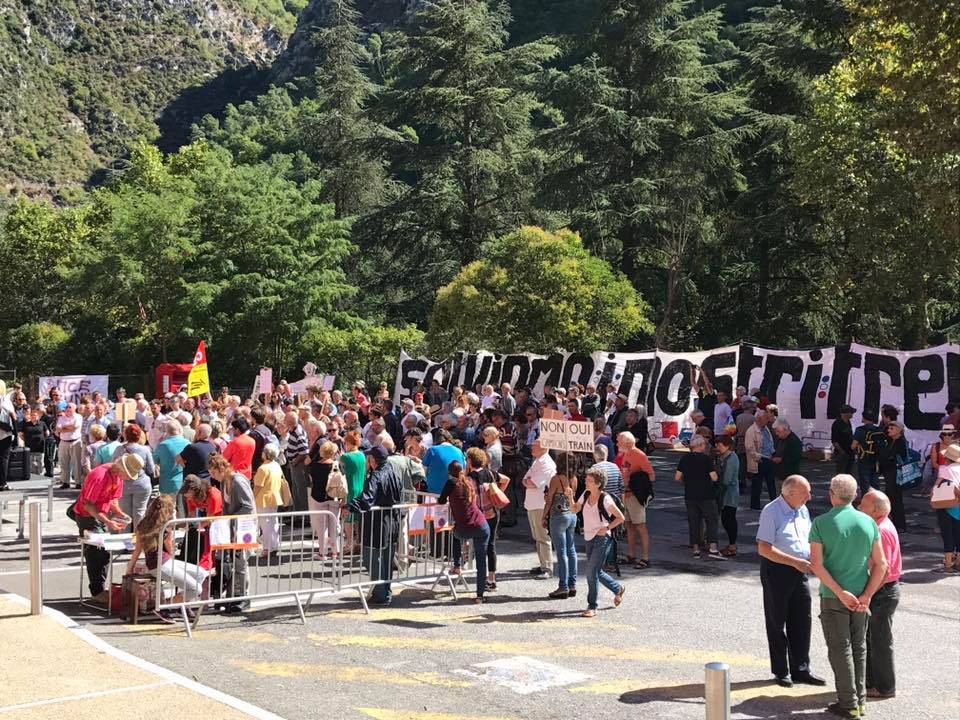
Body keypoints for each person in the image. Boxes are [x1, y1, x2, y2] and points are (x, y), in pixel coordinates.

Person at [810, 474, 888, 719]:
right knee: (859, 648)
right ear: (855, 495)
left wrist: (839, 592)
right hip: (860, 596)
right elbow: (881, 564)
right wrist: (866, 595)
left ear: (831, 494)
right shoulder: (868, 522)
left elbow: (817, 565)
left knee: (840, 649)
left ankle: (848, 703)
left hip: (834, 597)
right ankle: (860, 701)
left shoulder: (821, 523)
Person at [755, 475, 825, 687]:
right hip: (777, 569)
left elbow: (809, 539)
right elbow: (764, 548)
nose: (809, 497)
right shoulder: (771, 511)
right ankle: (781, 670)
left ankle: (801, 669)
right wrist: (794, 562)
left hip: (800, 569)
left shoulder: (802, 509)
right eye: (806, 492)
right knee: (777, 622)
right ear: (790, 493)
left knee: (802, 620)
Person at [72, 455, 141, 604]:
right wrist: (109, 521)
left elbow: (112, 499)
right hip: (87, 516)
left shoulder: (117, 476)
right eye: (127, 474)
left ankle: (100, 589)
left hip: (99, 515)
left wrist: (119, 513)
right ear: (121, 467)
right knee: (95, 554)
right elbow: (88, 505)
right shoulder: (99, 475)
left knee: (103, 553)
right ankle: (97, 591)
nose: (127, 478)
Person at [125, 495, 208, 619]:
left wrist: (129, 568)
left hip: (155, 563)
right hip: (163, 563)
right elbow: (170, 548)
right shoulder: (167, 526)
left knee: (200, 573)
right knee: (196, 588)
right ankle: (166, 606)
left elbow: (137, 549)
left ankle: (181, 604)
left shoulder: (143, 524)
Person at [345, 445, 403, 605]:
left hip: (377, 523)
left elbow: (367, 498)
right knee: (386, 559)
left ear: (372, 460)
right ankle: (385, 592)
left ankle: (381, 594)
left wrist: (350, 506)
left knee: (372, 557)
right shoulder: (393, 471)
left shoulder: (377, 476)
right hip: (392, 521)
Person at [858, 490, 901, 700]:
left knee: (880, 640)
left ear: (875, 510)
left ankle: (885, 687)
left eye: (863, 506)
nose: (858, 508)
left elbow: (881, 570)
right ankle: (873, 682)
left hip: (882, 591)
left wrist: (867, 594)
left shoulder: (880, 529)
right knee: (874, 637)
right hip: (883, 589)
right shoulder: (881, 524)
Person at [572, 467, 626, 618]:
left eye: (589, 481)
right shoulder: (586, 493)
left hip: (602, 538)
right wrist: (570, 497)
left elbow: (621, 517)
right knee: (596, 571)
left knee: (591, 572)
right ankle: (618, 588)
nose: (586, 482)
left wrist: (607, 527)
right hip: (589, 537)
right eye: (586, 480)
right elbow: (574, 509)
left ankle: (592, 605)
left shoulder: (606, 499)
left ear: (598, 484)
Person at [207, 453, 255, 612]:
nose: (212, 476)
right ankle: (235, 595)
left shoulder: (237, 481)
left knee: (241, 561)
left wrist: (232, 520)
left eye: (213, 473)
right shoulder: (224, 483)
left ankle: (243, 597)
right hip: (234, 527)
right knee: (234, 561)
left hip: (244, 526)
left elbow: (247, 506)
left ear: (221, 469)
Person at [439, 461, 490, 603]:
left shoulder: (451, 483)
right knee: (481, 562)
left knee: (455, 535)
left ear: (449, 472)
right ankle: (480, 595)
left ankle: (457, 565)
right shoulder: (467, 482)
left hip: (464, 527)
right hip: (481, 524)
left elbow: (441, 500)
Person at [464, 447, 507, 591]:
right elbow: (506, 479)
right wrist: (498, 493)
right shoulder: (490, 473)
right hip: (493, 513)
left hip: (479, 515)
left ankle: (481, 579)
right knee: (491, 545)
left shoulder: (469, 478)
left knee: (480, 546)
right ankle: (492, 578)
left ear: (470, 461)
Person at [675, 435, 723, 559]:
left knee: (694, 521)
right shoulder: (706, 459)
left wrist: (687, 481)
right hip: (707, 494)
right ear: (701, 445)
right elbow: (714, 477)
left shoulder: (685, 458)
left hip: (690, 494)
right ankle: (713, 547)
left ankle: (696, 549)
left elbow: (677, 477)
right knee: (711, 520)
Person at [616, 431, 655, 568]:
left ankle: (645, 558)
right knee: (629, 526)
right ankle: (631, 555)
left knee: (640, 526)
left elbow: (651, 475)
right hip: (624, 495)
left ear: (627, 442)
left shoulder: (639, 455)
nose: (617, 443)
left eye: (619, 441)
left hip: (634, 496)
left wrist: (636, 483)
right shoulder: (624, 453)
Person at [521, 439, 555, 578]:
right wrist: (527, 481)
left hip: (541, 505)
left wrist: (528, 481)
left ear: (543, 447)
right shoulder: (537, 461)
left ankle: (547, 568)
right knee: (537, 536)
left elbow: (532, 483)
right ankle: (543, 565)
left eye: (534, 446)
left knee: (543, 536)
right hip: (533, 504)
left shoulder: (546, 463)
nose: (531, 448)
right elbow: (525, 480)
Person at [111, 424, 156, 530]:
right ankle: (139, 540)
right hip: (141, 483)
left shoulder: (119, 449)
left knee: (124, 514)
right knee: (140, 512)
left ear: (126, 435)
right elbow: (151, 469)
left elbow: (113, 466)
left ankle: (123, 540)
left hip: (123, 484)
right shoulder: (145, 450)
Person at [543, 471, 577, 599]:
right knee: (571, 550)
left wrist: (543, 515)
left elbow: (550, 500)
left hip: (558, 516)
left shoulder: (556, 479)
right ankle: (572, 584)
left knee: (561, 552)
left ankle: (563, 587)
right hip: (571, 515)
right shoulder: (574, 478)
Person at [306, 440, 341, 559]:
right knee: (334, 524)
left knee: (322, 527)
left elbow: (312, 478)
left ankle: (323, 552)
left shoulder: (315, 466)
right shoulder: (337, 465)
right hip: (334, 496)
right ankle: (335, 550)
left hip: (319, 496)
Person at [252, 443, 284, 556]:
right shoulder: (276, 465)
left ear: (265, 454)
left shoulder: (263, 468)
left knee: (265, 525)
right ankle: (274, 545)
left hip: (263, 499)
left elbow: (258, 486)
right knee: (273, 522)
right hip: (274, 497)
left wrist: (252, 497)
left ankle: (267, 548)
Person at [876, 421, 908, 532]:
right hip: (888, 473)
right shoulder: (889, 441)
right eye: (889, 428)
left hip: (896, 474)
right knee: (891, 498)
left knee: (896, 499)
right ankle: (894, 523)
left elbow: (898, 458)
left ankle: (900, 525)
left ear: (899, 430)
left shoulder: (901, 442)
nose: (889, 430)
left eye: (892, 428)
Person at [933, 442, 960, 573]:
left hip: (947, 504)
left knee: (947, 533)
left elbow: (937, 486)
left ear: (947, 457)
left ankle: (948, 564)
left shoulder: (945, 469)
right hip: (959, 504)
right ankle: (959, 563)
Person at [340, 430, 367, 553]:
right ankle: (358, 542)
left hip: (350, 488)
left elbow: (340, 470)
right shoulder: (362, 455)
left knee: (348, 517)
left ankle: (349, 544)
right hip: (360, 487)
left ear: (349, 443)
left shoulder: (345, 456)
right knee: (358, 517)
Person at [746, 409, 776, 509]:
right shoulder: (751, 430)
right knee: (757, 485)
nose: (767, 420)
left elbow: (770, 442)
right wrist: (757, 458)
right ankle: (755, 506)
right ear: (759, 419)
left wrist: (772, 452)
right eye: (765, 418)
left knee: (771, 483)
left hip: (769, 458)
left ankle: (774, 503)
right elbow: (750, 448)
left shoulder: (766, 428)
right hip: (760, 460)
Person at [715, 435, 740, 556]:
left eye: (719, 445)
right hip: (727, 494)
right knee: (727, 519)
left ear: (727, 446)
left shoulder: (731, 458)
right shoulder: (725, 457)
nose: (717, 447)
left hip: (729, 495)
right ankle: (731, 544)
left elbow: (726, 480)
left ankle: (732, 545)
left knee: (728, 519)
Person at [422, 429, 466, 494]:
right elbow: (464, 470)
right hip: (455, 493)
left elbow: (423, 471)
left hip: (434, 493)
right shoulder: (459, 451)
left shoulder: (432, 450)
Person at [282, 411, 310, 513]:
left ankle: (303, 514)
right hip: (294, 463)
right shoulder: (292, 430)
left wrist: (295, 461)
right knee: (295, 489)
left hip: (298, 464)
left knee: (300, 489)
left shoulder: (298, 432)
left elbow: (304, 451)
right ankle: (297, 512)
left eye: (285, 419)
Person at [156, 420, 190, 502]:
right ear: (179, 429)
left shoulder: (162, 445)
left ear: (167, 431)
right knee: (183, 511)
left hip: (167, 483)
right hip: (184, 482)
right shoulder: (187, 443)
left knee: (168, 510)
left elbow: (155, 460)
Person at [852, 410, 883, 498]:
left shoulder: (860, 430)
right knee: (875, 481)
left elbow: (853, 446)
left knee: (865, 482)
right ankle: (877, 501)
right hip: (876, 459)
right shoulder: (879, 430)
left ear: (864, 418)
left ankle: (866, 501)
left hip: (864, 458)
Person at [56, 402, 84, 488]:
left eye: (70, 407)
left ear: (74, 409)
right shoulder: (61, 417)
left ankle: (78, 482)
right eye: (67, 407)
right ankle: (65, 482)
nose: (67, 408)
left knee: (76, 463)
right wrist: (67, 428)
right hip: (63, 442)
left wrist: (63, 428)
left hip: (75, 442)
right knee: (64, 463)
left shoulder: (78, 417)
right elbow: (58, 429)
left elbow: (75, 426)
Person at [771, 419, 802, 492]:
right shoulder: (780, 439)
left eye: (778, 431)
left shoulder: (794, 440)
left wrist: (781, 459)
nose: (776, 433)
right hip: (780, 474)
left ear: (785, 429)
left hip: (790, 475)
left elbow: (795, 457)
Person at [223, 416, 256, 480]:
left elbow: (224, 458)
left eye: (233, 428)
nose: (232, 430)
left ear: (237, 429)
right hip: (247, 474)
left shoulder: (234, 442)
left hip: (235, 475)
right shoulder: (252, 441)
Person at [832, 405, 857, 475]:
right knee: (841, 474)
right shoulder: (837, 423)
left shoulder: (848, 422)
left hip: (850, 452)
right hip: (842, 453)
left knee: (849, 473)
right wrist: (842, 452)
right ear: (845, 413)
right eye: (851, 412)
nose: (852, 414)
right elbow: (834, 441)